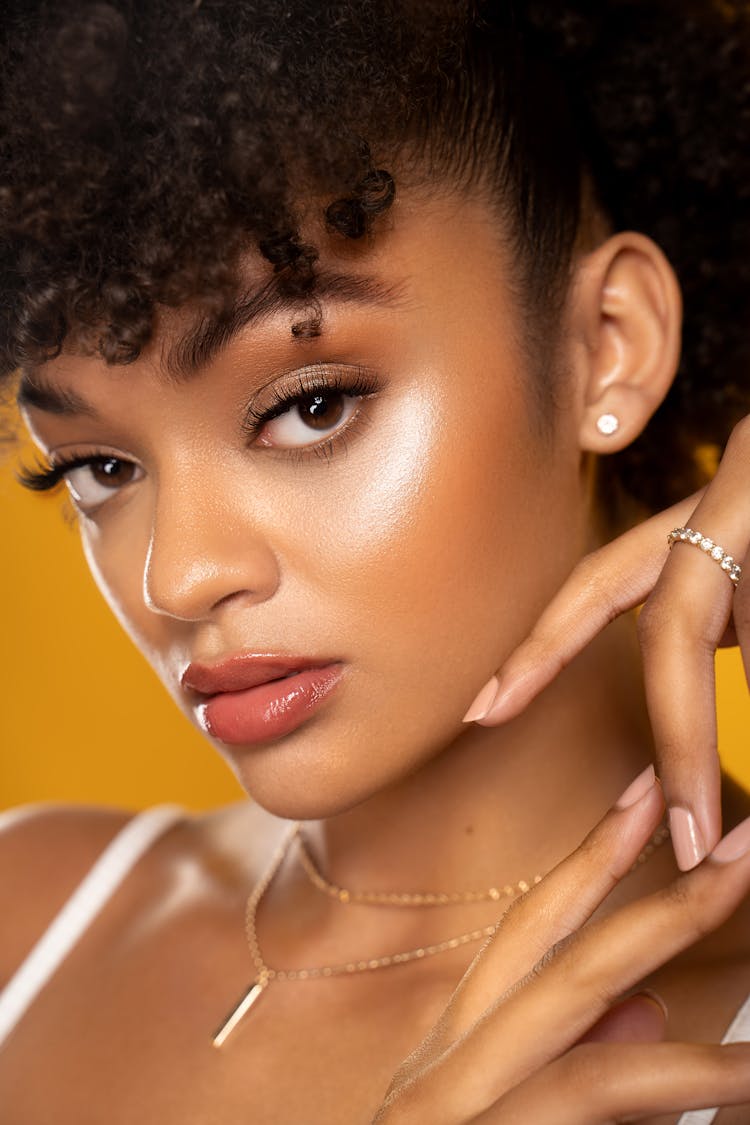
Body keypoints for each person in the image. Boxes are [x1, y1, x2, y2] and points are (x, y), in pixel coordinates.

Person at [0, 0, 749, 1120]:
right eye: (100, 469)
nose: (179, 578)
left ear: (607, 348)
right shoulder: (25, 917)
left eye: (309, 406)